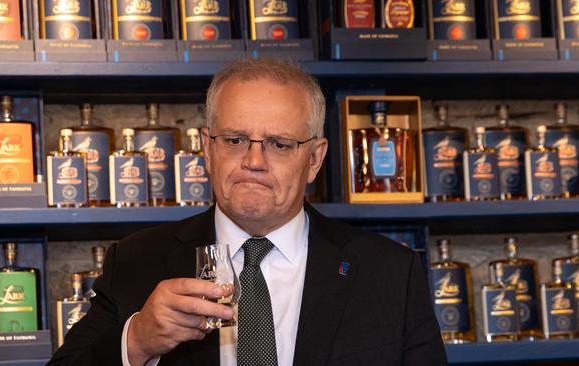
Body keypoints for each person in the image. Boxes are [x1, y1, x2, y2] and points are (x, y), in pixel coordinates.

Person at [48, 58, 447, 366]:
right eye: (236, 139)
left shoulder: (390, 272)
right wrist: (136, 341)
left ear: (314, 158)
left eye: (279, 144)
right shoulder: (137, 261)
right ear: (208, 148)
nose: (253, 161)